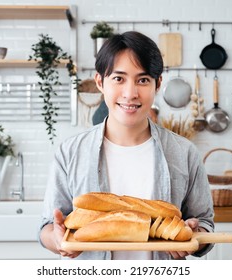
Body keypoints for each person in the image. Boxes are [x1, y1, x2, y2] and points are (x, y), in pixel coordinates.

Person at [39, 31, 214, 260]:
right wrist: (57, 239)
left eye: (142, 80)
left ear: (157, 84)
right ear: (100, 82)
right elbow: (47, 227)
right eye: (119, 78)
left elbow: (204, 224)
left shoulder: (185, 153)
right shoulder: (70, 152)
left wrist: (194, 237)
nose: (130, 94)